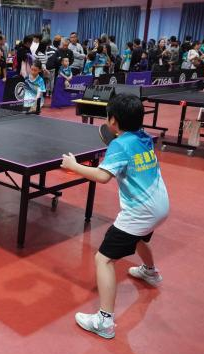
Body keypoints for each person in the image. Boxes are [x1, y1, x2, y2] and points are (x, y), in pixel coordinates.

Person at [62, 93, 169, 340]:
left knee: (103, 259)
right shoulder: (144, 137)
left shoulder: (119, 145)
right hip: (160, 205)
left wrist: (73, 166)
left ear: (112, 120)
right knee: (140, 238)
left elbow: (102, 176)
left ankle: (104, 321)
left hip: (140, 211)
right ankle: (150, 272)